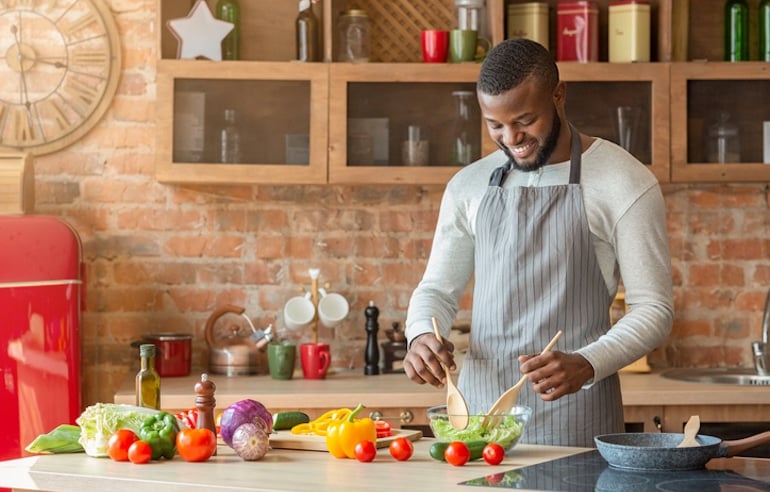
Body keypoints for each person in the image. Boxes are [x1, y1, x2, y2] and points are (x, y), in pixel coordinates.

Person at [404, 38, 674, 448]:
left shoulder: (623, 181)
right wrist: (421, 334)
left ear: (559, 95)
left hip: (577, 418)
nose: (511, 138)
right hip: (480, 422)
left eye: (525, 120)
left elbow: (654, 308)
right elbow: (436, 290)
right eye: (495, 124)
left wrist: (588, 361)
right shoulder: (469, 186)